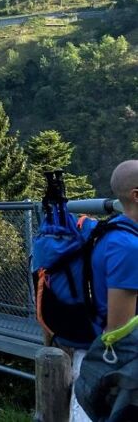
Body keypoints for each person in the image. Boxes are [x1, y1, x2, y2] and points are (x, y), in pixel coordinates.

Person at [71, 159, 138, 421]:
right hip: (122, 373)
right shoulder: (128, 248)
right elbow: (119, 330)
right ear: (136, 194)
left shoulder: (112, 230)